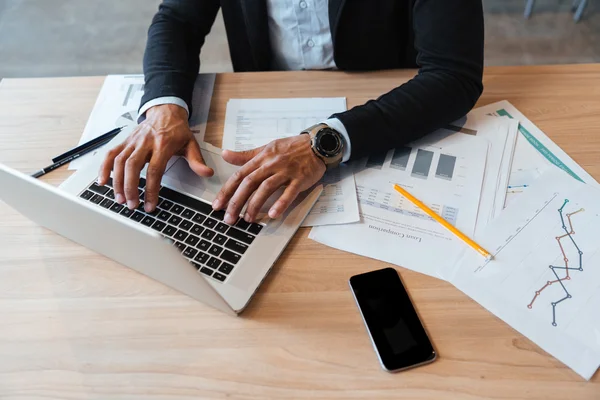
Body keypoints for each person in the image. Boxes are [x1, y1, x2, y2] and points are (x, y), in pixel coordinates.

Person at [98, 0, 484, 226]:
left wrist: (322, 144)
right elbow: (178, 20)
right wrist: (165, 106)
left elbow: (454, 75)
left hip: (384, 107)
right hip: (265, 97)